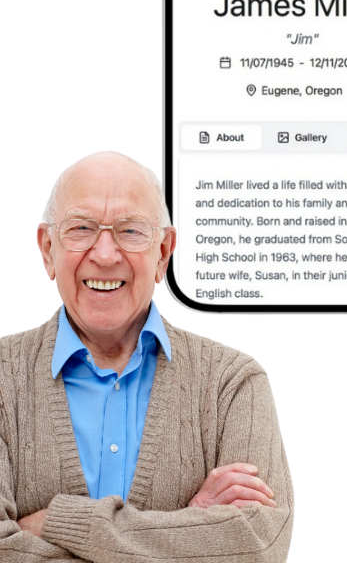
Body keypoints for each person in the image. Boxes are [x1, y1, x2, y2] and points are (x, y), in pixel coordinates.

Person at [0, 152, 292, 562]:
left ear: (163, 252)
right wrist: (192, 529)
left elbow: (260, 546)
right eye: (81, 228)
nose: (105, 254)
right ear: (48, 249)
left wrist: (54, 521)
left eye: (130, 230)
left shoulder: (232, 384)